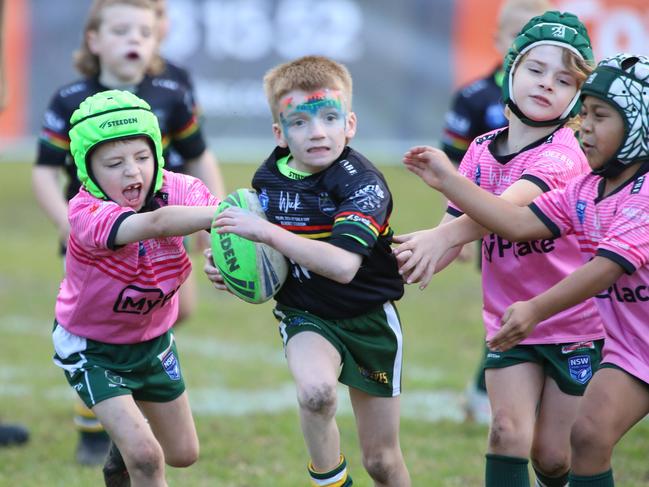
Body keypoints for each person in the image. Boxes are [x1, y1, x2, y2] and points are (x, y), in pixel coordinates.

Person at [400, 52, 649, 487]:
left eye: (600, 116)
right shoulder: (586, 189)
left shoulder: (644, 193)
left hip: (600, 336)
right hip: (632, 350)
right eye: (584, 113)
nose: (584, 125)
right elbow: (516, 222)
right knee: (585, 437)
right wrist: (448, 180)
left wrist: (534, 309)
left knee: (569, 446)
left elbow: (604, 270)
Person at [31, 0, 224, 465]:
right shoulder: (71, 98)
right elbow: (43, 171)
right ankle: (97, 419)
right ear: (94, 40)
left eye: (144, 29)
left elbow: (199, 156)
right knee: (99, 311)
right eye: (120, 30)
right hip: (99, 229)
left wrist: (217, 230)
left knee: (175, 308)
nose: (133, 39)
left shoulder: (172, 90)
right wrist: (67, 223)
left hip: (167, 224)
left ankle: (129, 404)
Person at [205, 55, 410, 486]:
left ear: (350, 124)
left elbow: (341, 265)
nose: (317, 132)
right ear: (279, 133)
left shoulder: (363, 183)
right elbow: (260, 253)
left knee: (382, 462)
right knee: (316, 394)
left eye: (330, 118)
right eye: (299, 122)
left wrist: (265, 234)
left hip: (369, 317)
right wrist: (229, 263)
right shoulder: (269, 178)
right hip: (307, 314)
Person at [52, 89, 219, 486]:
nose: (132, 172)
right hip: (93, 348)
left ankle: (120, 455)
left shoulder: (182, 189)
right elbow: (158, 225)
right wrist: (227, 217)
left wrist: (221, 254)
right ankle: (133, 451)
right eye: (114, 163)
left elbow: (218, 226)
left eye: (143, 157)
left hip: (154, 341)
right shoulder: (85, 213)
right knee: (148, 456)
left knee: (183, 453)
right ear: (88, 170)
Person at [440, 0, 551, 426]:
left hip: (547, 223)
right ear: (498, 40)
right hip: (488, 224)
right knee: (511, 306)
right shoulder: (474, 96)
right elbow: (450, 162)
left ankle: (530, 388)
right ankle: (487, 389)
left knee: (550, 307)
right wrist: (454, 225)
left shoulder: (561, 105)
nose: (524, 49)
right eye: (516, 39)